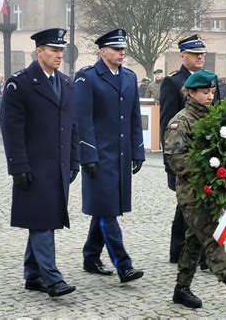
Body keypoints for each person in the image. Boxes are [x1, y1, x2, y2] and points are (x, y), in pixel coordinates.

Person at [164, 70, 226, 313]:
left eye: (211, 92)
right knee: (211, 238)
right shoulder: (182, 121)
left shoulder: (215, 118)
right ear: (190, 92)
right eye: (204, 92)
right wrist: (209, 171)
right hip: (191, 193)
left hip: (210, 191)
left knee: (194, 239)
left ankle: (181, 289)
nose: (210, 96)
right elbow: (175, 160)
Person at [0, 28, 79, 297]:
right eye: (53, 50)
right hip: (34, 166)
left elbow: (72, 126)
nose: (58, 55)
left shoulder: (67, 84)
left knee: (44, 217)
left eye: (61, 50)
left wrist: (74, 160)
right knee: (43, 221)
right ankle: (52, 278)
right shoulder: (19, 84)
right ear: (39, 51)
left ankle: (33, 274)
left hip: (58, 165)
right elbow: (12, 129)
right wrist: (18, 166)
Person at [74, 28, 145, 283]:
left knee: (105, 209)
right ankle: (123, 265)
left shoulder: (129, 77)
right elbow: (82, 121)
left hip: (121, 156)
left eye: (123, 48)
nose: (121, 52)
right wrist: (88, 155)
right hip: (99, 156)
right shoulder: (87, 78)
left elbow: (134, 118)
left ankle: (91, 256)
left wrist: (138, 151)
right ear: (102, 51)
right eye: (116, 49)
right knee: (108, 212)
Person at [159, 34, 214, 266]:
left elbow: (215, 116)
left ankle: (190, 251)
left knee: (200, 204)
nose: (200, 57)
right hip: (184, 156)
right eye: (194, 54)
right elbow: (166, 122)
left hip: (207, 156)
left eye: (202, 54)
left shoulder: (212, 80)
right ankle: (181, 250)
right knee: (186, 205)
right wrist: (169, 161)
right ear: (183, 56)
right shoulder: (173, 83)